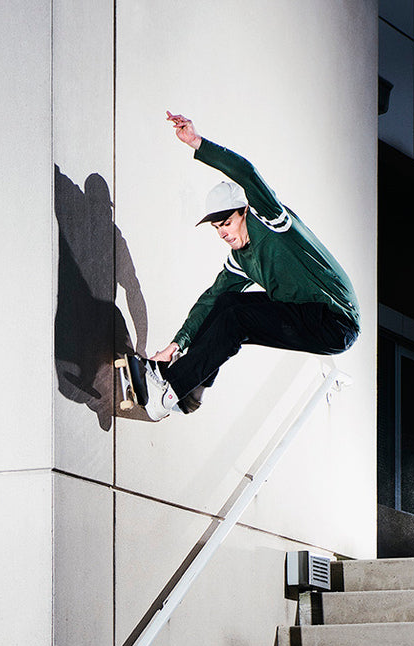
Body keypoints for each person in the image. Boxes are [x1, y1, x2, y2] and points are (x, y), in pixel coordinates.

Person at [137, 112, 360, 421]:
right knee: (226, 301)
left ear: (244, 212)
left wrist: (196, 142)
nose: (224, 233)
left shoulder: (271, 221)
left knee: (238, 317)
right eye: (217, 228)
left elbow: (247, 172)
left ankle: (171, 391)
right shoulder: (240, 261)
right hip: (305, 313)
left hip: (335, 319)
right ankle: (192, 390)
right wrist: (175, 345)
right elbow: (210, 301)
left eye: (227, 223)